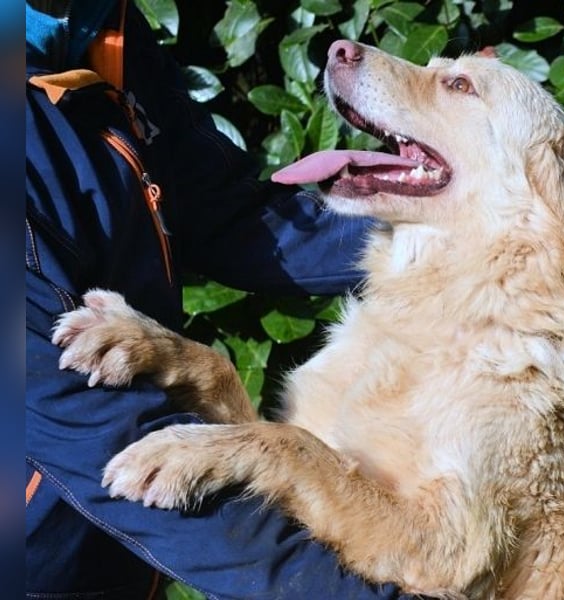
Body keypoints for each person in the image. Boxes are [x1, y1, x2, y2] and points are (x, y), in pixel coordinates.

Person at [25, 1, 411, 598]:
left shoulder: (102, 26)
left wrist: (450, 234)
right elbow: (88, 427)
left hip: (118, 558)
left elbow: (227, 215)